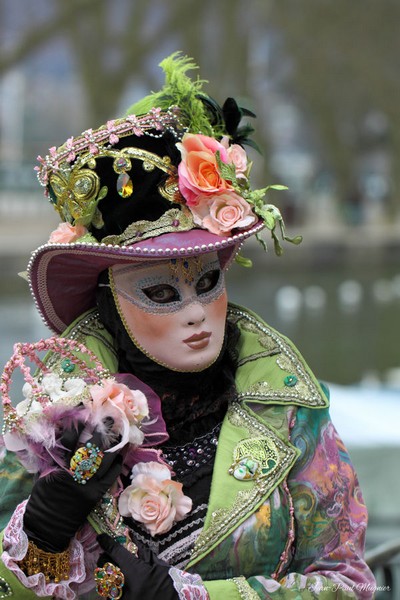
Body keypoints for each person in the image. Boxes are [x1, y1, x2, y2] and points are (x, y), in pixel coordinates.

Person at [0, 53, 375, 599]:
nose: (196, 312)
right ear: (111, 305)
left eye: (207, 283)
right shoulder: (51, 420)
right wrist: (41, 535)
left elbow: (350, 585)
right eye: (158, 292)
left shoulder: (287, 410)